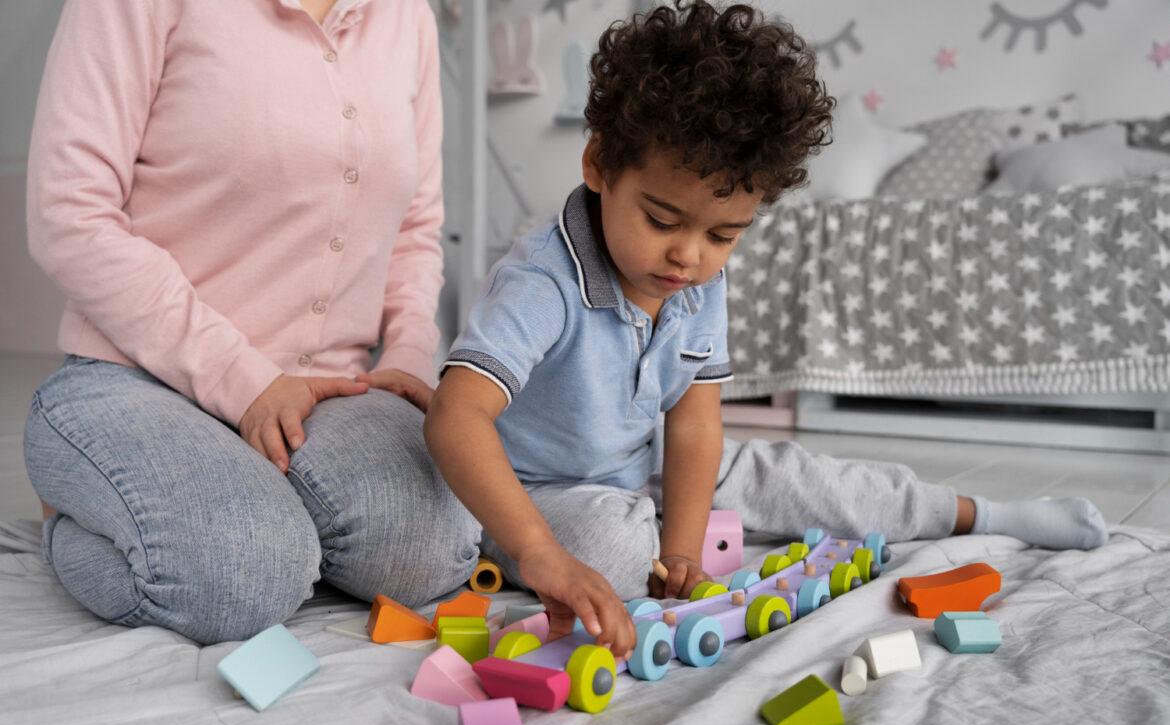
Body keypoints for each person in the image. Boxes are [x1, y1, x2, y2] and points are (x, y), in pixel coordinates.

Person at [423, 0, 1108, 660]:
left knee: (802, 477)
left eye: (723, 234)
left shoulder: (697, 284)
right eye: (663, 221)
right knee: (617, 553)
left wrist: (686, 553)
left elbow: (693, 425)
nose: (689, 256)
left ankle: (984, 515)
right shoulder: (543, 279)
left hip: (641, 467)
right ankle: (579, 544)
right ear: (599, 164)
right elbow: (456, 417)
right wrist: (540, 551)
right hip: (536, 489)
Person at [23, 0, 480, 645]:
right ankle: (74, 516)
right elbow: (69, 215)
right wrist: (243, 382)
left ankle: (259, 509)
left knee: (436, 548)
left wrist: (405, 354)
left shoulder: (406, 15)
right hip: (138, 373)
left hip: (324, 391)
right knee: (247, 573)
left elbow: (416, 224)